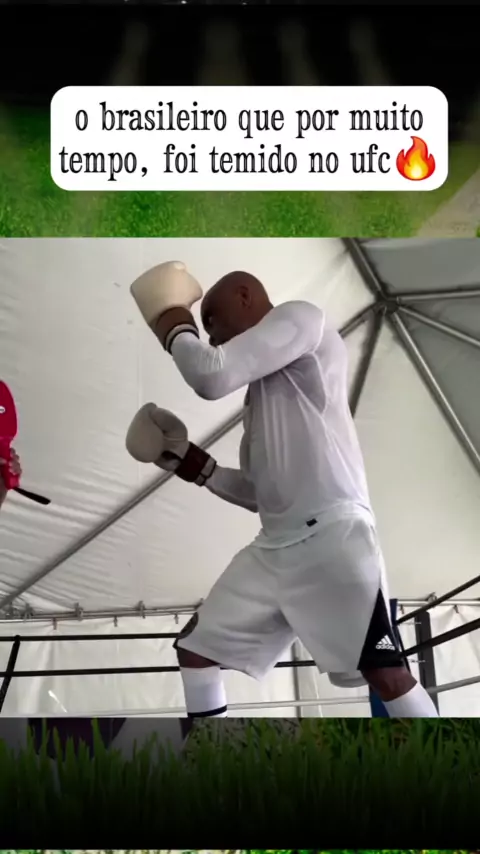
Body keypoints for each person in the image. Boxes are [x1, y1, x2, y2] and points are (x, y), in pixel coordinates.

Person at [127, 260, 438, 721]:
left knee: (385, 672)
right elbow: (260, 493)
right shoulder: (259, 401)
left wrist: (171, 317)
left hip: (333, 533)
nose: (211, 337)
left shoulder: (302, 318)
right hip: (274, 547)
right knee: (195, 648)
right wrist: (191, 462)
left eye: (212, 320)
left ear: (246, 296)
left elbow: (210, 375)